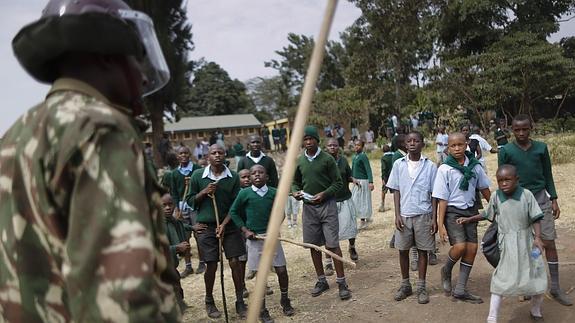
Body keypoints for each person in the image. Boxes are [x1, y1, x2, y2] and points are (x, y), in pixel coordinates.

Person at [0, 0, 181, 321]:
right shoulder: (101, 128)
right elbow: (119, 299)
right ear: (106, 55)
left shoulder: (16, 135)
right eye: (136, 59)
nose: (142, 76)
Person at [457, 165, 548, 322]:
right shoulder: (496, 196)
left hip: (527, 243)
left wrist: (538, 238)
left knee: (537, 278)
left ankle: (536, 310)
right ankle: (492, 317)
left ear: (516, 180)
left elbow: (536, 217)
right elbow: (487, 214)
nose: (504, 183)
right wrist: (469, 219)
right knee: (500, 280)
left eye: (508, 179)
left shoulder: (526, 195)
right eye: (500, 181)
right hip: (507, 246)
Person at [498, 114, 572, 306]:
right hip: (518, 200)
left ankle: (554, 286)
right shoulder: (506, 150)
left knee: (547, 241)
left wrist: (554, 199)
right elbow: (503, 179)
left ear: (531, 128)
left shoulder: (541, 148)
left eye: (525, 129)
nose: (521, 133)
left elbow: (548, 173)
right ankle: (529, 285)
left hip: (540, 199)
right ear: (511, 130)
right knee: (524, 244)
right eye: (517, 130)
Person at [186, 144, 248, 319]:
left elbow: (236, 205)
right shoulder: (198, 176)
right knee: (211, 264)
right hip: (206, 227)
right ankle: (209, 300)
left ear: (225, 155)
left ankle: (239, 301)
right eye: (214, 153)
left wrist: (225, 224)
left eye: (220, 152)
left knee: (235, 261)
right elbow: (190, 202)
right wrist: (205, 192)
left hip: (228, 225)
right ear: (208, 157)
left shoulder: (233, 177)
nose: (217, 155)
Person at [292, 126, 351, 300]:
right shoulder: (300, 161)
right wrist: (295, 192)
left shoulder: (327, 159)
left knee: (332, 245)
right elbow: (294, 183)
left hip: (327, 206)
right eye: (305, 139)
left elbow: (338, 183)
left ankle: (341, 282)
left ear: (317, 140)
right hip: (309, 208)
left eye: (311, 139)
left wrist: (324, 194)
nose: (308, 142)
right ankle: (321, 281)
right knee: (314, 246)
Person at [230, 165, 296, 322]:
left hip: (272, 238)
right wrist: (245, 230)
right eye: (253, 173)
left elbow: (281, 212)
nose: (257, 175)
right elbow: (233, 212)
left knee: (281, 270)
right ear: (250, 177)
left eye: (261, 173)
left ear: (267, 177)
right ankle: (263, 309)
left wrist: (274, 229)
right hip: (254, 239)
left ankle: (285, 300)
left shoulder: (274, 192)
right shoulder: (244, 193)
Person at [433, 132, 491, 304]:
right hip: (452, 212)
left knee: (472, 249)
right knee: (459, 247)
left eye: (460, 144)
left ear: (466, 144)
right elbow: (442, 199)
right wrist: (440, 224)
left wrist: (496, 206)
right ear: (448, 148)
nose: (457, 148)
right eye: (453, 146)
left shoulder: (475, 166)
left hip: (471, 211)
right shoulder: (445, 169)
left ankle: (460, 289)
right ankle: (447, 269)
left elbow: (484, 188)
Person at [387, 131, 438, 304]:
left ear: (422, 144)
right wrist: (397, 214)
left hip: (424, 215)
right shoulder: (398, 165)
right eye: (409, 141)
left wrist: (434, 218)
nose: (412, 143)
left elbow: (434, 194)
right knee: (403, 250)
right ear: (405, 144)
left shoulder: (430, 166)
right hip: (404, 215)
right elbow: (396, 190)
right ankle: (405, 284)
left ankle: (421, 287)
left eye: (416, 141)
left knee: (423, 251)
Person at [324, 138, 359, 276]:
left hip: (345, 198)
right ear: (326, 147)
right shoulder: (323, 161)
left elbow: (348, 175)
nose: (332, 147)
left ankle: (352, 247)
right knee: (329, 232)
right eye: (330, 145)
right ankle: (328, 261)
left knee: (351, 227)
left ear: (339, 147)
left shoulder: (343, 160)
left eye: (335, 145)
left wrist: (353, 180)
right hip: (330, 201)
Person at [170, 146, 204, 276]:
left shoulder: (197, 170)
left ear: (189, 155)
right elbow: (173, 193)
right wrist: (176, 209)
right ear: (177, 156)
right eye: (181, 153)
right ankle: (188, 266)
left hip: (194, 206)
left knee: (198, 233)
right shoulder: (174, 173)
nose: (183, 155)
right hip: (182, 208)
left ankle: (202, 262)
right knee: (184, 236)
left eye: (186, 153)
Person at [162, 194, 192, 311]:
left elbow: (181, 225)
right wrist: (176, 248)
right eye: (164, 205)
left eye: (170, 205)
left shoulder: (173, 221)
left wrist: (192, 228)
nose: (168, 208)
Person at [351, 140, 374, 229]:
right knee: (355, 200)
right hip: (356, 182)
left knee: (362, 201)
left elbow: (368, 169)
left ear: (362, 146)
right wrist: (352, 178)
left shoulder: (363, 156)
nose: (356, 147)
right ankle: (365, 218)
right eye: (355, 145)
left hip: (363, 182)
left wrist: (371, 182)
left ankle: (363, 221)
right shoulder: (355, 157)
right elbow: (353, 169)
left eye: (358, 145)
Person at [379, 144, 394, 213]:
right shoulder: (393, 156)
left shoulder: (384, 158)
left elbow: (383, 169)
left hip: (387, 177)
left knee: (384, 190)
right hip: (394, 176)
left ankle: (382, 205)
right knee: (395, 191)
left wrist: (383, 178)